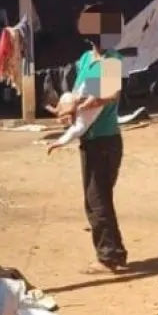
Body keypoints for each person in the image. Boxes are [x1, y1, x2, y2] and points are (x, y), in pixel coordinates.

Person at [48, 35, 127, 274]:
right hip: (90, 140)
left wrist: (76, 106)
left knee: (97, 201)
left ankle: (109, 257)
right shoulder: (86, 60)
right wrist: (68, 111)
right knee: (97, 200)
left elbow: (107, 96)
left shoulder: (111, 60)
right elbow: (78, 92)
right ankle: (115, 253)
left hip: (104, 140)